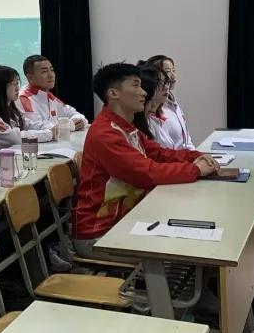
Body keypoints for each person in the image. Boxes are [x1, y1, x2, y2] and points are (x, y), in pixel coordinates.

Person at [74, 63, 215, 255]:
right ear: (113, 93)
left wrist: (196, 156)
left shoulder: (126, 127)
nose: (143, 92)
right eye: (136, 85)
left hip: (127, 219)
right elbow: (146, 173)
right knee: (181, 247)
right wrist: (196, 169)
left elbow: (160, 154)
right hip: (100, 233)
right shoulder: (105, 133)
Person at [0, 65, 55, 149]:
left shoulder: (12, 110)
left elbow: (29, 124)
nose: (17, 88)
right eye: (13, 84)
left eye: (17, 83)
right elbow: (15, 137)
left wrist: (52, 128)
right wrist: (49, 134)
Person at [18, 55, 87, 131]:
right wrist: (69, 125)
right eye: (44, 71)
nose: (51, 75)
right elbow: (35, 126)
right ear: (30, 78)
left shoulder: (49, 96)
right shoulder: (23, 97)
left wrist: (79, 121)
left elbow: (72, 113)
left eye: (52, 70)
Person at [144, 55, 194, 149]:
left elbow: (186, 140)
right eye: (167, 71)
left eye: (173, 71)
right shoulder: (150, 114)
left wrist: (194, 154)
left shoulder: (172, 102)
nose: (173, 76)